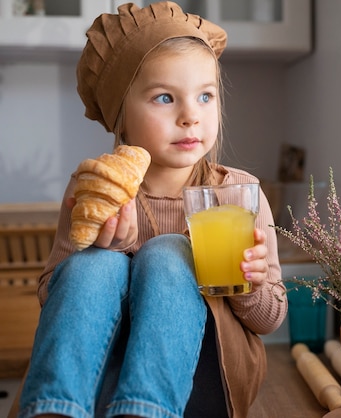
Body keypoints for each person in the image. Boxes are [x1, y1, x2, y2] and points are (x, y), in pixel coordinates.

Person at [18, 2, 286, 418]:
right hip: (98, 382)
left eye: (205, 96)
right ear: (121, 116)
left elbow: (270, 320)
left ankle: (145, 410)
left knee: (167, 252)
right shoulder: (95, 190)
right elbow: (51, 294)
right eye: (165, 97)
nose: (190, 116)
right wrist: (107, 250)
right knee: (95, 266)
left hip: (204, 380)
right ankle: (55, 409)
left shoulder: (237, 194)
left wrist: (247, 284)